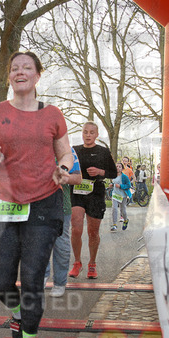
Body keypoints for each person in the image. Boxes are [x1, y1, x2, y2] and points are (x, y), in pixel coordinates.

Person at [0, 51, 75, 338]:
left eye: (27, 67)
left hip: (43, 203)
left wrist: (62, 169)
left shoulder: (52, 114)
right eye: (15, 68)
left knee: (32, 278)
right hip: (5, 203)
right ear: (10, 76)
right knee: (3, 281)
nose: (20, 72)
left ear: (37, 75)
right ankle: (18, 314)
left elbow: (66, 154)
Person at [69, 121, 117, 280]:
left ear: (97, 135)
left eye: (91, 132)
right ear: (82, 133)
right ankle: (77, 262)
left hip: (95, 192)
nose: (88, 135)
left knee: (93, 232)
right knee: (76, 227)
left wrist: (100, 171)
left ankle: (92, 263)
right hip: (77, 191)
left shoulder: (103, 151)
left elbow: (113, 173)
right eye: (85, 132)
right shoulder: (74, 150)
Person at [46, 147, 83, 298]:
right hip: (35, 204)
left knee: (60, 244)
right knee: (37, 243)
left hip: (61, 205)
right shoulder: (32, 144)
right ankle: (40, 277)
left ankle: (60, 282)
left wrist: (63, 177)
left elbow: (78, 178)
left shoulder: (67, 151)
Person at [110, 162, 132, 232]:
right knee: (114, 208)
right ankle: (114, 224)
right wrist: (111, 185)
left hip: (122, 195)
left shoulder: (124, 177)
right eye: (116, 166)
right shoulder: (113, 176)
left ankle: (125, 220)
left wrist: (120, 186)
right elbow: (113, 183)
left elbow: (128, 185)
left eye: (119, 167)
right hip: (115, 194)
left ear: (122, 168)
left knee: (123, 210)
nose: (118, 168)